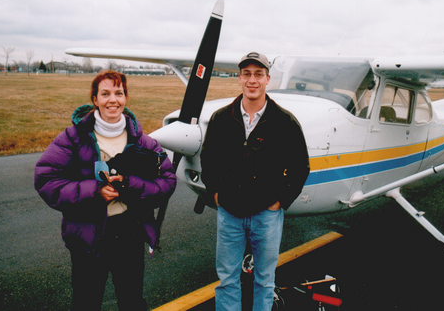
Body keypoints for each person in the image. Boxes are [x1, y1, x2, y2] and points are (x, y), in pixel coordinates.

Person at [34, 70, 177, 311]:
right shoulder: (72, 138)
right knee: (86, 302)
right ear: (95, 99)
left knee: (131, 301)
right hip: (89, 235)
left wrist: (129, 185)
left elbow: (167, 181)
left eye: (119, 93)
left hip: (130, 232)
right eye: (105, 93)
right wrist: (94, 191)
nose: (113, 100)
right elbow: (46, 179)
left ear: (126, 97)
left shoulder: (143, 141)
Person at [201, 52, 310, 311]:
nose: (253, 80)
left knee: (265, 280)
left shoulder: (285, 121)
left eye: (258, 74)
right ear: (239, 79)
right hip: (230, 213)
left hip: (267, 215)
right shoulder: (220, 118)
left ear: (267, 79)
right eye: (247, 74)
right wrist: (216, 196)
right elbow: (208, 161)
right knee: (227, 279)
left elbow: (300, 167)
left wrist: (281, 201)